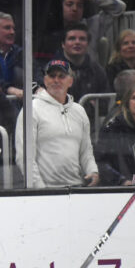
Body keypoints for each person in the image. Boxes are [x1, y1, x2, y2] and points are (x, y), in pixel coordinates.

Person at [15, 60, 99, 188]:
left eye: (61, 76)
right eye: (52, 76)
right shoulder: (31, 109)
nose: (56, 80)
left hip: (78, 188)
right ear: (45, 80)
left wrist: (92, 171)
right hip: (46, 191)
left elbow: (86, 150)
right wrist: (39, 189)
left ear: (70, 81)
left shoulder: (79, 111)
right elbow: (24, 157)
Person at [95, 84, 135, 186]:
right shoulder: (114, 128)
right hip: (125, 189)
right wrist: (121, 181)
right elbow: (100, 162)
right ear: (127, 103)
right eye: (134, 98)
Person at [50, 23, 110, 102]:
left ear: (88, 44)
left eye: (82, 39)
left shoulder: (98, 71)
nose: (77, 42)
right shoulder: (51, 70)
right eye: (72, 38)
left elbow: (105, 102)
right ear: (63, 44)